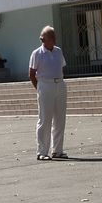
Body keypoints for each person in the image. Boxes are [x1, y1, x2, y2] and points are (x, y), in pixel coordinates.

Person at [28, 26, 67, 160]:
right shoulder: (37, 53)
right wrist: (39, 88)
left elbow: (61, 67)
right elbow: (32, 74)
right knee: (45, 119)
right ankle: (42, 151)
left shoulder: (58, 51)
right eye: (51, 37)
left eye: (54, 36)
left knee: (60, 118)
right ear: (44, 39)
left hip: (59, 84)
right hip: (45, 85)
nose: (54, 40)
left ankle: (58, 150)